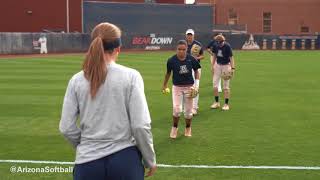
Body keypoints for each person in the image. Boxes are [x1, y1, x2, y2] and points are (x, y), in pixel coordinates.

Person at [59, 22, 157, 180]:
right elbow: (140, 125)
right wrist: (149, 160)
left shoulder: (76, 80)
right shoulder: (131, 76)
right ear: (118, 48)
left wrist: (87, 144)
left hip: (87, 164)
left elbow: (66, 128)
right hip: (125, 161)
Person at [162, 40, 201, 139]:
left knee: (188, 112)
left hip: (189, 87)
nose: (181, 51)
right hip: (177, 87)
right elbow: (168, 73)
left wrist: (196, 85)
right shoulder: (171, 60)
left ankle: (188, 128)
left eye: (183, 49)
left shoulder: (191, 59)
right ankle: (174, 128)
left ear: (186, 49)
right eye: (179, 49)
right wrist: (164, 85)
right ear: (176, 49)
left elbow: (197, 71)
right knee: (177, 109)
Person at [210, 34, 235, 111]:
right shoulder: (215, 45)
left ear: (223, 41)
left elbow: (231, 57)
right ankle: (217, 102)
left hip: (226, 66)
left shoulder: (227, 46)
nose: (220, 44)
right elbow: (214, 55)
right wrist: (212, 65)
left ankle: (226, 104)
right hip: (218, 65)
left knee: (226, 86)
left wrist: (233, 68)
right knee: (214, 85)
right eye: (218, 42)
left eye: (221, 42)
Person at [185, 29, 204, 115]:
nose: (189, 36)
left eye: (191, 35)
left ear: (193, 35)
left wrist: (196, 58)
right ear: (186, 36)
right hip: (187, 69)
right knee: (187, 88)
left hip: (196, 68)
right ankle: (187, 107)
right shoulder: (183, 44)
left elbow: (202, 56)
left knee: (196, 87)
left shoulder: (197, 44)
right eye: (188, 35)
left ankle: (195, 108)